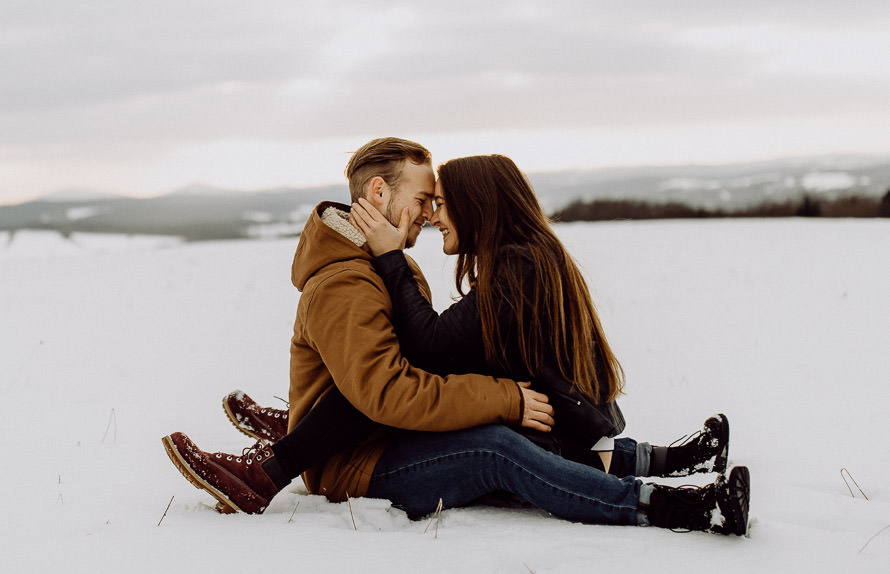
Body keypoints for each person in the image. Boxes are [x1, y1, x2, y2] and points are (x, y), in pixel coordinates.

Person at [163, 138, 749, 535]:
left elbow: (421, 357)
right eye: (424, 200)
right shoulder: (348, 282)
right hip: (360, 463)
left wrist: (516, 399)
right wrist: (505, 399)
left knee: (521, 428)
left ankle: (285, 438)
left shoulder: (393, 265)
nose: (431, 214)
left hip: (381, 437)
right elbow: (390, 389)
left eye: (439, 203)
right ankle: (672, 505)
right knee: (500, 447)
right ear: (377, 196)